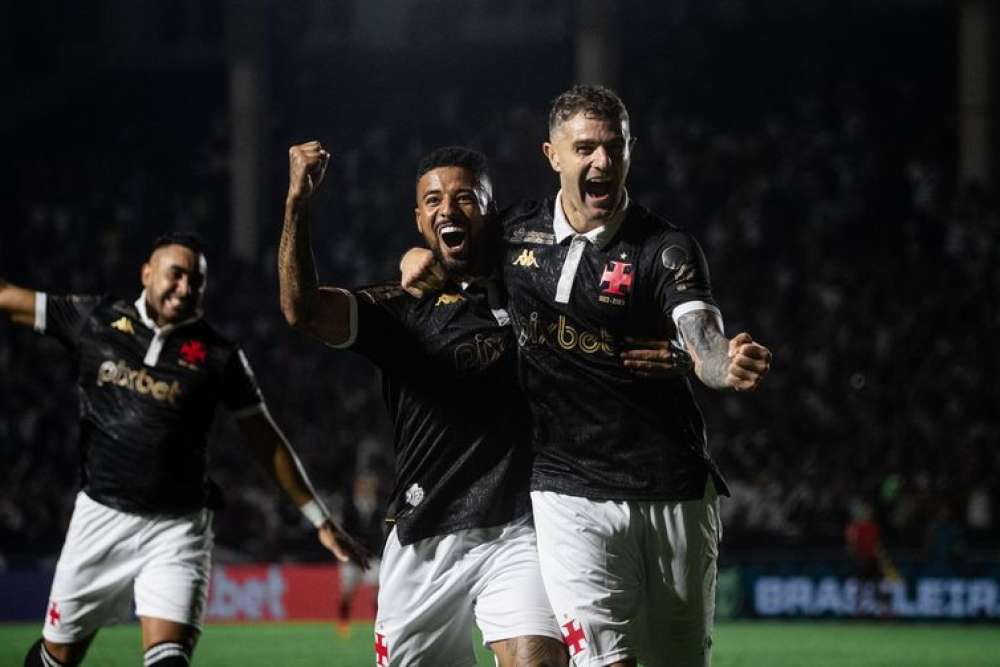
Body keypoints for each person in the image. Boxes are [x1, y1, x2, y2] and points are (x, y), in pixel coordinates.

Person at [403, 85, 772, 667]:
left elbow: (701, 333)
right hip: (565, 490)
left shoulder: (665, 249)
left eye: (614, 147)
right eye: (585, 149)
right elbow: (451, 247)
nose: (602, 162)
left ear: (630, 151)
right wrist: (412, 257)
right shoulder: (514, 233)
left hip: (670, 485)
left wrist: (719, 362)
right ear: (552, 155)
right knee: (604, 661)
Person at [280, 141, 685, 665]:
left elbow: (614, 295)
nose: (447, 209)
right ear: (418, 220)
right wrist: (297, 202)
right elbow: (301, 311)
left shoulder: (537, 288)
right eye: (432, 201)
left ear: (491, 211)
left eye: (465, 197)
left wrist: (684, 352)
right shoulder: (400, 308)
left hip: (522, 526)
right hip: (424, 536)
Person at [0, 233, 368, 667]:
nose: (185, 288)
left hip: (178, 531)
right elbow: (7, 296)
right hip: (100, 518)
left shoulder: (219, 356)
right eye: (176, 275)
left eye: (197, 281)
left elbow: (266, 441)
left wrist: (320, 521)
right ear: (147, 274)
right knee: (56, 658)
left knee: (169, 661)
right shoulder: (94, 320)